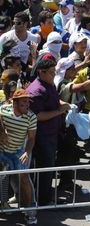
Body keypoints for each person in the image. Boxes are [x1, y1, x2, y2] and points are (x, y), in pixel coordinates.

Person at [26, 59, 71, 205]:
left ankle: (43, 196)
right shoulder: (36, 91)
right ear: (41, 72)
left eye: (54, 72)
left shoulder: (49, 84)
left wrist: (65, 105)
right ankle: (42, 200)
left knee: (48, 167)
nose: (54, 75)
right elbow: (37, 116)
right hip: (42, 136)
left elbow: (55, 101)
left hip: (52, 133)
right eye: (52, 72)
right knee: (44, 168)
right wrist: (59, 111)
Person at [0, 89, 37, 224]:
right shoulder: (4, 110)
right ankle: (3, 202)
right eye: (24, 102)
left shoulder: (31, 117)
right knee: (2, 176)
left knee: (24, 178)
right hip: (2, 150)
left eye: (28, 102)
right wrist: (2, 129)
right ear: (14, 103)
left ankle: (31, 210)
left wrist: (27, 152)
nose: (27, 104)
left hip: (18, 151)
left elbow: (32, 138)